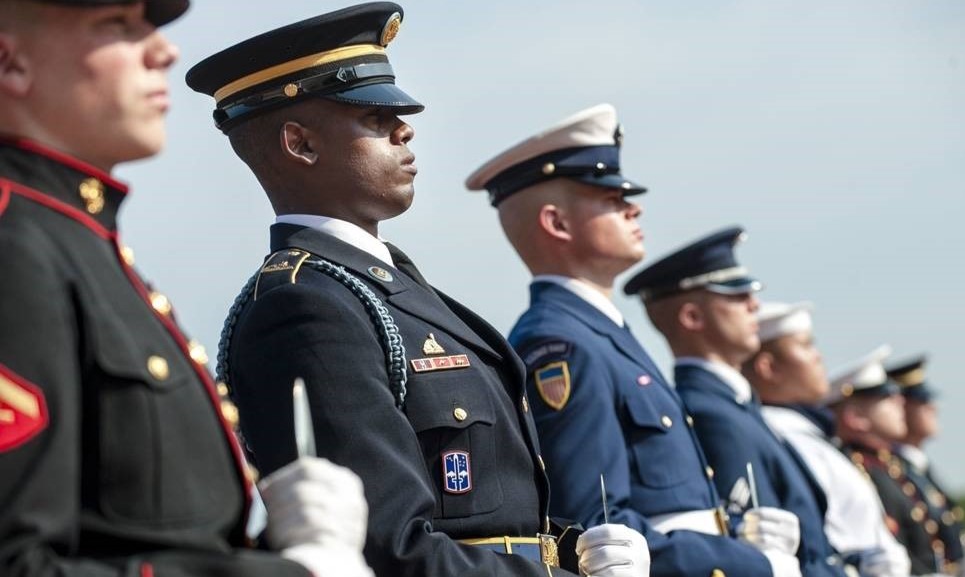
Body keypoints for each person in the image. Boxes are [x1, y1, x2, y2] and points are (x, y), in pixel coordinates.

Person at [186, 5, 648, 577]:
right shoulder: (306, 306)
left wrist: (576, 552)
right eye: (374, 118)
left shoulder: (382, 292)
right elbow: (389, 545)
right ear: (300, 144)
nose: (404, 129)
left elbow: (491, 517)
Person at [0, 1, 371, 576]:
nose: (164, 50)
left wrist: (274, 546)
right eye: (117, 26)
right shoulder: (16, 249)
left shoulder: (77, 243)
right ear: (9, 63)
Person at [466, 104, 801, 577]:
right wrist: (746, 562)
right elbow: (597, 532)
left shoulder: (601, 334)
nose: (634, 206)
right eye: (610, 197)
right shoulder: (561, 341)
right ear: (557, 224)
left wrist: (742, 533)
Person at [624, 227, 846, 577]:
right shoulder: (712, 413)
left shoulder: (737, 406)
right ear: (692, 317)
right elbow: (756, 545)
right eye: (736, 295)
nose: (754, 304)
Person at [747, 302, 911, 577]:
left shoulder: (811, 437)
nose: (818, 357)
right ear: (769, 367)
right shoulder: (782, 434)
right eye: (807, 346)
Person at [828, 345, 943, 576]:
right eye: (886, 396)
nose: (900, 401)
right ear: (855, 417)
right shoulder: (855, 469)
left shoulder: (889, 466)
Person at [889, 356, 965, 577]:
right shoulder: (893, 471)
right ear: (901, 407)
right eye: (923, 400)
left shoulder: (920, 469)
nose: (933, 408)